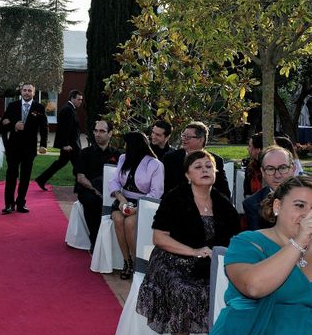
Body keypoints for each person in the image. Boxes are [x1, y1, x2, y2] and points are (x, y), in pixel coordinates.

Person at [136, 150, 240, 335]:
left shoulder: (223, 203)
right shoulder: (176, 197)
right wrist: (194, 252)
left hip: (210, 263)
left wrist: (214, 256)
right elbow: (159, 238)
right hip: (172, 259)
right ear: (187, 175)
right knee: (183, 289)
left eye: (209, 166)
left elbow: (233, 239)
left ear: (216, 172)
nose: (205, 170)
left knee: (225, 290)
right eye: (198, 167)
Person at [202, 175, 312, 335]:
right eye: (300, 206)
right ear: (278, 206)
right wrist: (298, 242)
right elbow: (253, 287)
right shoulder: (248, 242)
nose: (308, 215)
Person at [109, 131, 164, 279]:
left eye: (127, 144)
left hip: (145, 203)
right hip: (124, 199)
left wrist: (137, 208)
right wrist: (121, 200)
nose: (124, 147)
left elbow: (156, 192)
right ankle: (127, 261)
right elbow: (114, 181)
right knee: (118, 219)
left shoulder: (155, 164)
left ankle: (137, 261)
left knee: (129, 223)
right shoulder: (123, 158)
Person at [0, 83, 48, 214]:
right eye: (24, 90)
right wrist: (14, 126)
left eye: (29, 91)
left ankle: (21, 203)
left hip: (29, 148)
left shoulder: (39, 108)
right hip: (13, 148)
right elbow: (2, 125)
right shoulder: (12, 106)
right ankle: (9, 204)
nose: (26, 93)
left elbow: (44, 127)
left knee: (25, 177)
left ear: (33, 92)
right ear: (21, 91)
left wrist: (43, 144)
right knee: (11, 176)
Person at [74, 120, 121, 250]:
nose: (97, 134)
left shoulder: (118, 155)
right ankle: (95, 240)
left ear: (110, 133)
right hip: (88, 191)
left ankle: (115, 244)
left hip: (112, 192)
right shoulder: (85, 153)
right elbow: (80, 177)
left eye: (102, 131)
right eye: (95, 131)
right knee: (92, 202)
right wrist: (96, 190)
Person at [162, 121, 231, 199]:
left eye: (188, 137)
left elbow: (224, 191)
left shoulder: (216, 160)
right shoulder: (170, 158)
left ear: (201, 140)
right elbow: (164, 187)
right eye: (183, 136)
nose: (184, 139)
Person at [34, 90, 83, 191]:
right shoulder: (68, 110)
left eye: (81, 100)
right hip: (71, 146)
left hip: (71, 145)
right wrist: (65, 145)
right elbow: (64, 129)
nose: (80, 102)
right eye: (78, 99)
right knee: (79, 166)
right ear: (72, 98)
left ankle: (41, 179)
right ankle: (80, 186)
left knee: (61, 163)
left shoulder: (70, 108)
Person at [243, 145, 295, 230]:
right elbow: (259, 241)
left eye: (283, 168)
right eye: (270, 169)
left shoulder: (311, 197)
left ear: (293, 169)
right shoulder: (253, 204)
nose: (277, 175)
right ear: (262, 172)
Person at [243, 132, 263, 197]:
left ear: (258, 149)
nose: (248, 149)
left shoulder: (270, 167)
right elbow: (247, 193)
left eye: (249, 146)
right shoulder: (250, 168)